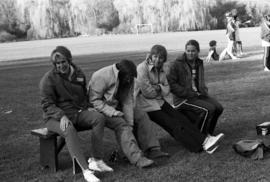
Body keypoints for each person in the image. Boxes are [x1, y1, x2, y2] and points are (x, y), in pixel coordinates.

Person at [39, 46, 113, 182]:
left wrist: (88, 107)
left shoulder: (78, 73)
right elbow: (47, 104)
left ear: (69, 60)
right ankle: (86, 171)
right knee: (69, 129)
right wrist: (61, 116)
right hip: (53, 117)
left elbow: (84, 94)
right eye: (57, 63)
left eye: (63, 62)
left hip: (76, 112)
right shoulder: (48, 79)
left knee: (99, 118)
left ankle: (96, 160)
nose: (61, 66)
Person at [135, 44, 224, 154]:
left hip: (159, 102)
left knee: (182, 119)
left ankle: (205, 140)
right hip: (146, 106)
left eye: (161, 58)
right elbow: (147, 92)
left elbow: (167, 89)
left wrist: (157, 87)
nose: (157, 60)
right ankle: (198, 146)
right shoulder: (142, 68)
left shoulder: (161, 69)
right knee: (173, 125)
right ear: (151, 56)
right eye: (155, 57)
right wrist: (160, 87)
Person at [88, 59, 169, 168]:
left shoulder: (129, 78)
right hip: (99, 109)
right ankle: (137, 159)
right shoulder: (101, 76)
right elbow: (94, 101)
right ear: (120, 72)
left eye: (131, 78)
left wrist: (130, 123)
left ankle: (153, 149)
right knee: (121, 124)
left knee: (141, 116)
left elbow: (127, 101)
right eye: (127, 78)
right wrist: (114, 113)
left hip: (117, 106)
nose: (129, 80)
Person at [167, 40, 224, 137]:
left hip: (197, 95)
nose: (190, 53)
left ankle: (208, 133)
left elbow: (199, 80)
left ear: (198, 51)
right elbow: (171, 84)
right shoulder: (177, 64)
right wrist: (186, 93)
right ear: (185, 51)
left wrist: (203, 91)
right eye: (188, 51)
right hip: (183, 98)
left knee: (218, 108)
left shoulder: (199, 62)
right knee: (208, 109)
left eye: (193, 51)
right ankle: (200, 138)